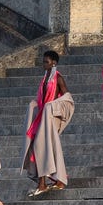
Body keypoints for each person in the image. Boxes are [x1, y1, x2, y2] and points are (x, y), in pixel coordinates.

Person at [21, 50, 74, 196]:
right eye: (44, 61)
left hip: (49, 120)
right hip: (41, 118)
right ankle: (48, 182)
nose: (43, 64)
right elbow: (41, 99)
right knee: (38, 147)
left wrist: (52, 107)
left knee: (41, 147)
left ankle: (43, 183)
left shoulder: (58, 78)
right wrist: (35, 105)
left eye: (46, 61)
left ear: (54, 63)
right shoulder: (45, 78)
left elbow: (68, 99)